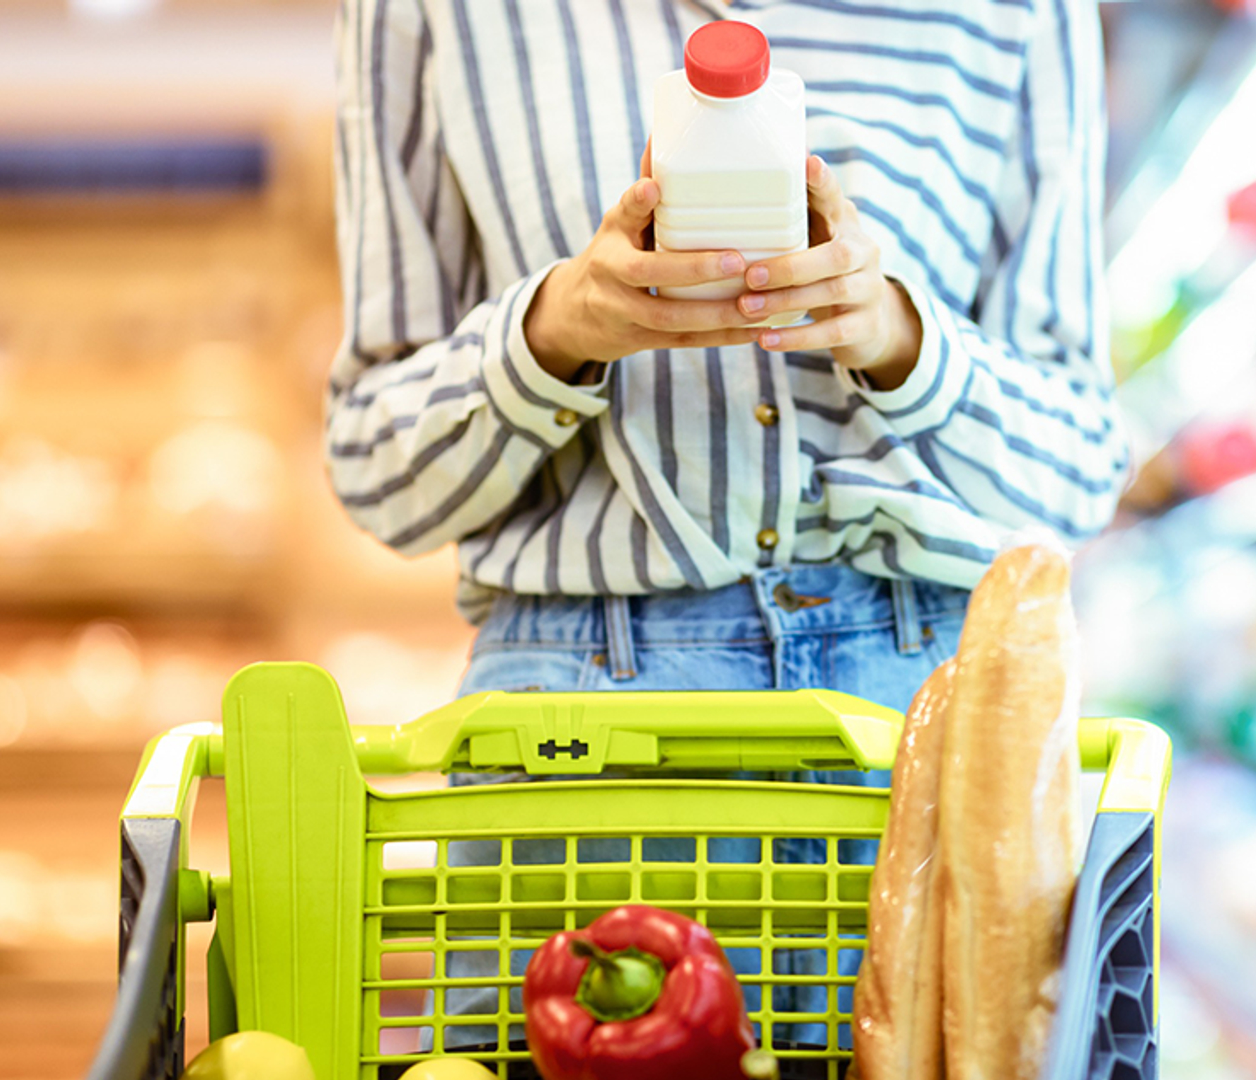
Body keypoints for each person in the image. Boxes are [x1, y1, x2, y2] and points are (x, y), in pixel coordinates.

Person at [326, 0, 1128, 1054]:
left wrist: (898, 339)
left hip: (924, 726)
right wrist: (554, 330)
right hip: (577, 726)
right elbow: (378, 472)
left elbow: (1079, 471)